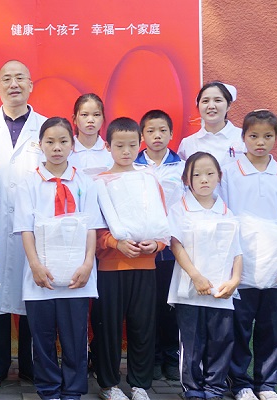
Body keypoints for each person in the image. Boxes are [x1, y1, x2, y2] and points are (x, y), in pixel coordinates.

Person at [14, 117, 103, 400]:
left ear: (72, 145)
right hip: (40, 274)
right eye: (50, 141)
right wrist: (35, 266)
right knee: (42, 337)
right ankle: (49, 389)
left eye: (63, 141)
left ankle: (73, 390)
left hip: (78, 274)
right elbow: (25, 229)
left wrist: (88, 264)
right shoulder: (29, 183)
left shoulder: (85, 182)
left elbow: (91, 227)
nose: (56, 147)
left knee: (75, 336)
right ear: (40, 144)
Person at [0, 60, 45, 388]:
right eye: (7, 79)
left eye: (20, 78)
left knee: (34, 292)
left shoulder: (45, 126)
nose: (13, 84)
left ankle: (32, 366)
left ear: (30, 85)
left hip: (35, 225)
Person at [91, 117, 167, 400]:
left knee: (142, 326)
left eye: (132, 145)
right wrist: (115, 243)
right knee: (108, 327)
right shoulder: (99, 183)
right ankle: (108, 385)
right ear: (107, 146)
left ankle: (139, 384)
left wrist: (157, 244)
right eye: (119, 145)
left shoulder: (149, 179)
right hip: (111, 266)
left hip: (146, 266)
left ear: (140, 144)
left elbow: (162, 220)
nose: (126, 151)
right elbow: (92, 229)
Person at [167, 151, 242, 400]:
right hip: (189, 289)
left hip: (222, 290)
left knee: (221, 340)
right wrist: (196, 276)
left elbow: (237, 250)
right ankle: (193, 388)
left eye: (210, 173)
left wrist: (235, 280)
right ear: (186, 179)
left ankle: (215, 387)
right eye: (197, 174)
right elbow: (176, 245)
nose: (204, 179)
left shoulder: (226, 212)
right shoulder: (179, 209)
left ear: (219, 176)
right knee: (192, 342)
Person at [220, 110, 277, 400]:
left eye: (268, 136)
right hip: (241, 262)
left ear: (276, 139)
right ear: (242, 137)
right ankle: (239, 382)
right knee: (239, 327)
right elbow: (223, 216)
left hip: (275, 263)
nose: (260, 142)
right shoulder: (230, 172)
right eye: (254, 136)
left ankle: (266, 384)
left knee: (272, 328)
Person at [134, 110, 185, 381]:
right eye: (151, 131)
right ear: (142, 135)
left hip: (173, 248)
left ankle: (170, 357)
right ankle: (151, 358)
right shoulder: (133, 166)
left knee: (170, 305)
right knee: (147, 306)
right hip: (143, 247)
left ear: (171, 134)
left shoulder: (182, 167)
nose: (157, 136)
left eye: (163, 130)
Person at [178, 82, 245, 166]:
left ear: (228, 105)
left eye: (218, 100)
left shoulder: (243, 138)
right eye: (205, 101)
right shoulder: (188, 143)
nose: (211, 106)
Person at [68, 93, 113, 175]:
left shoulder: (111, 152)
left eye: (96, 115)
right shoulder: (66, 151)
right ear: (74, 119)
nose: (91, 120)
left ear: (103, 118)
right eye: (84, 115)